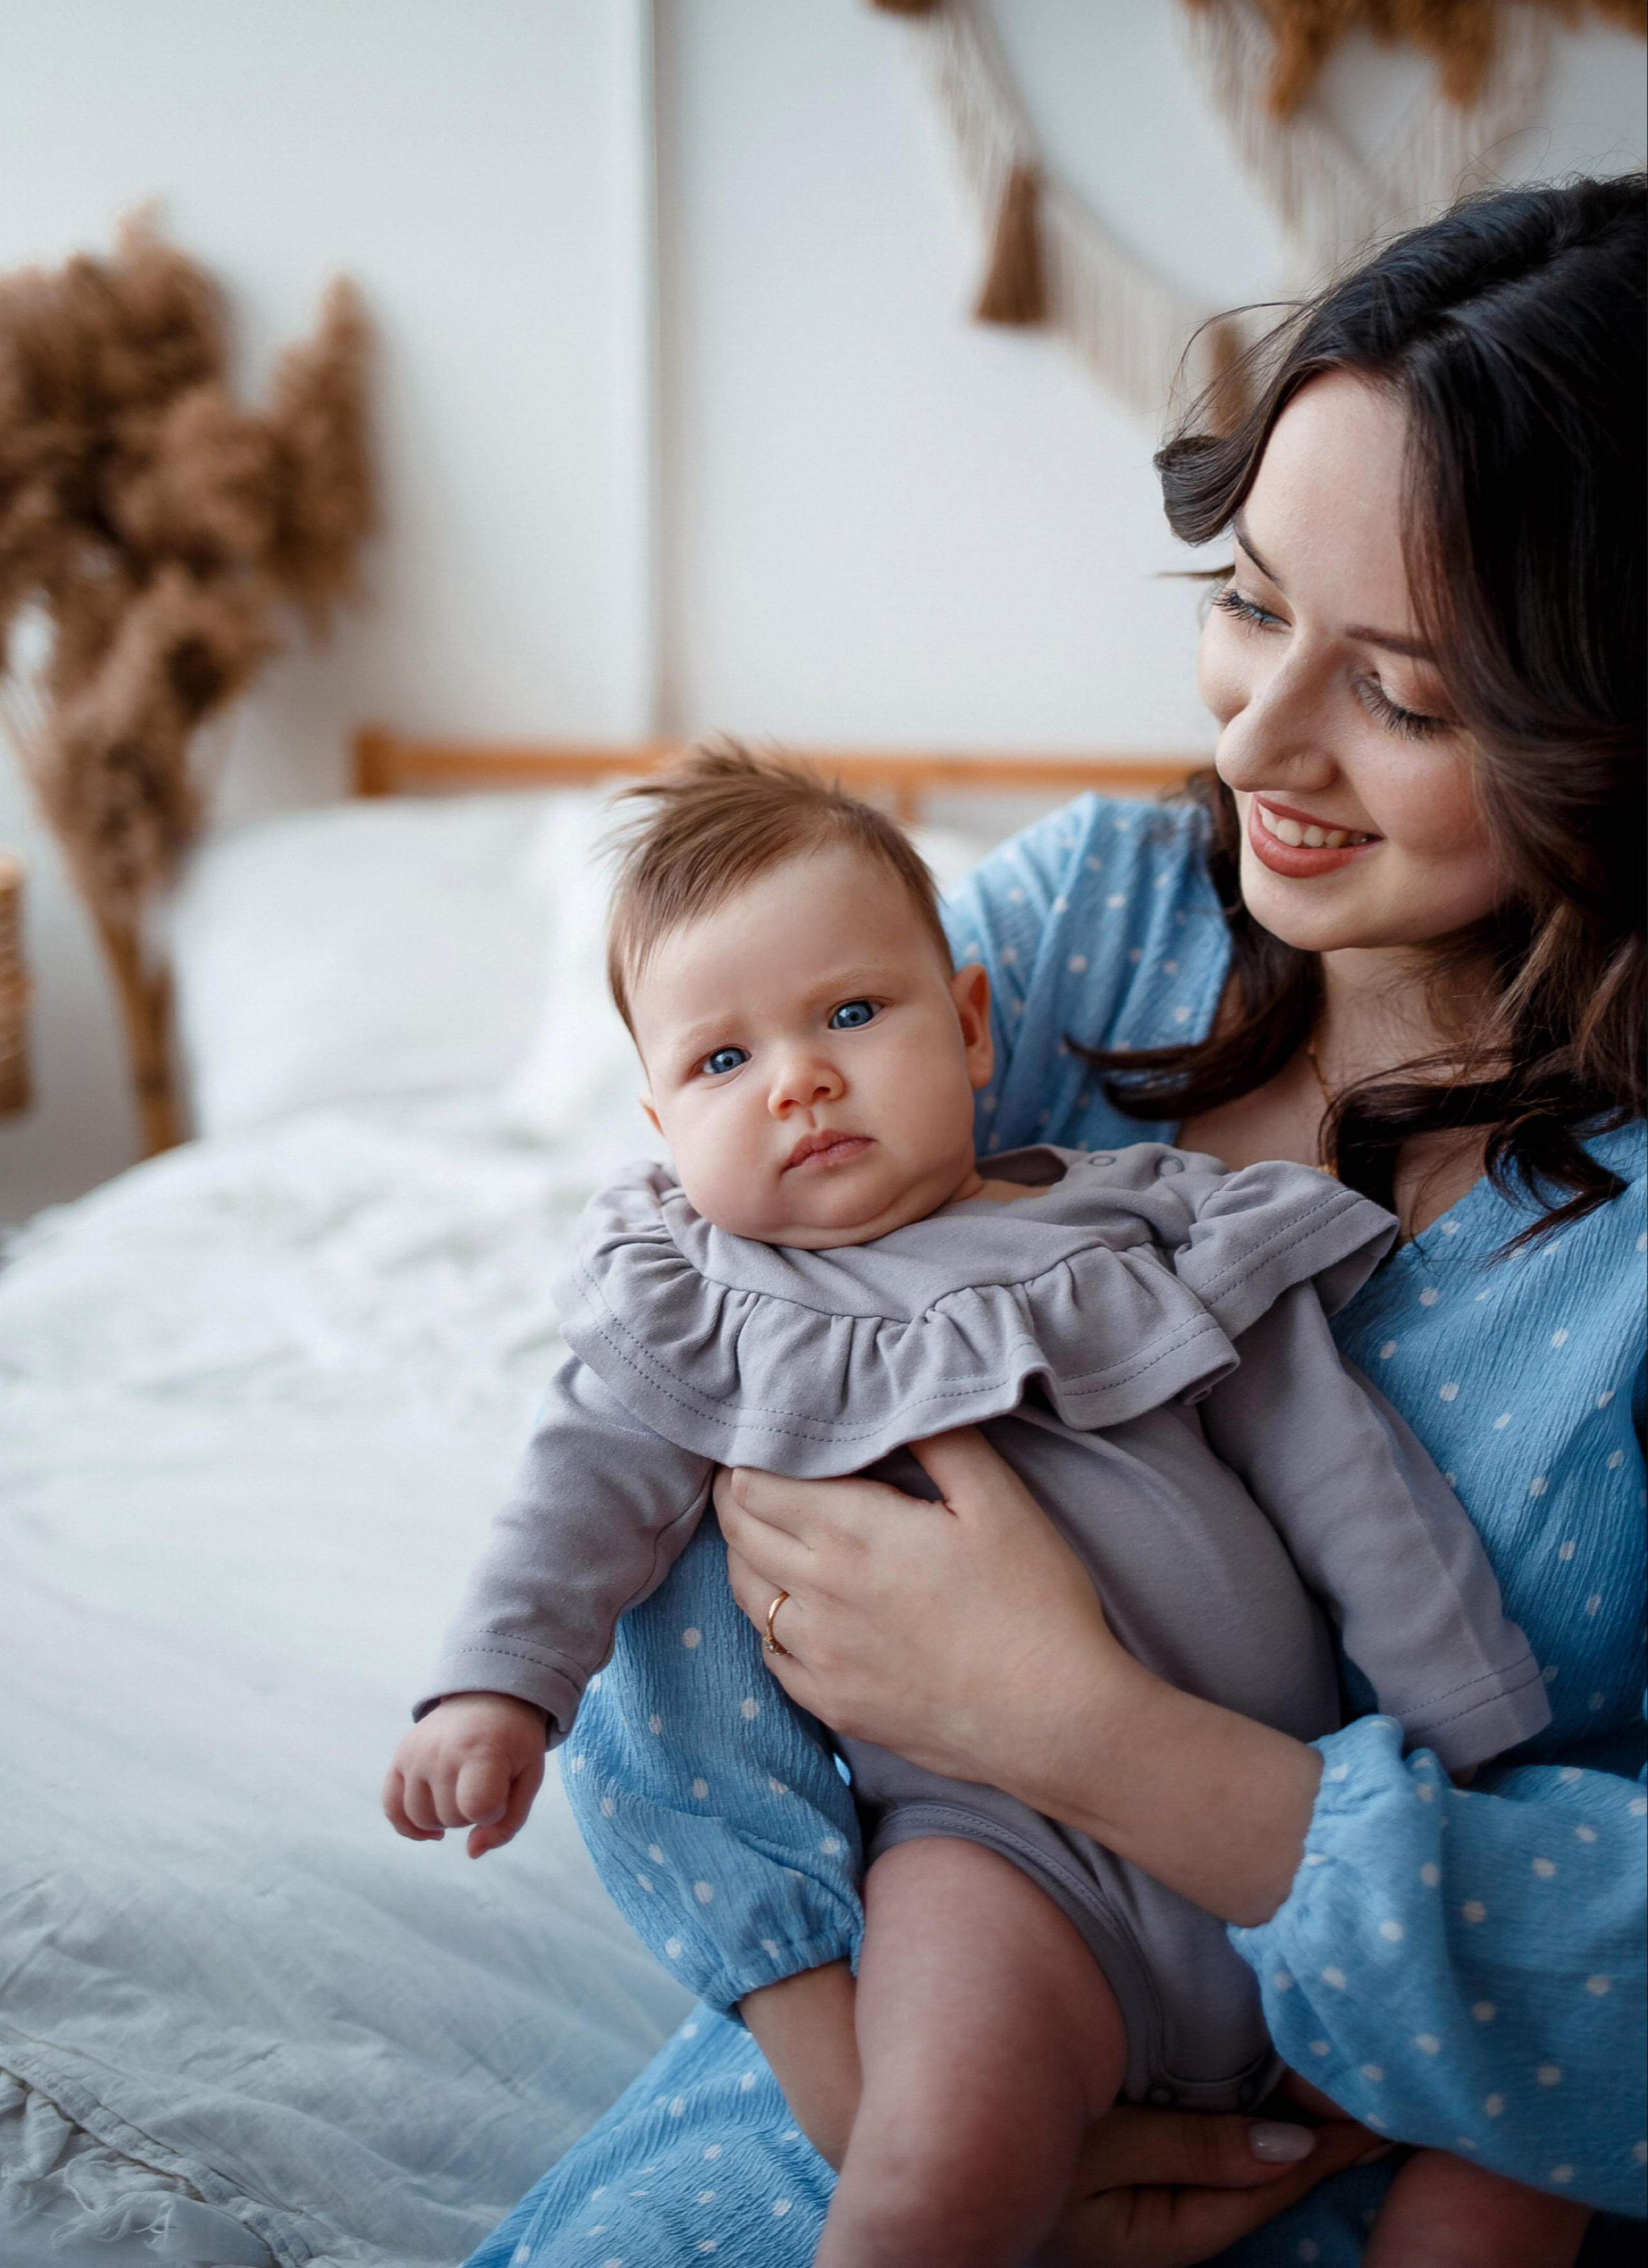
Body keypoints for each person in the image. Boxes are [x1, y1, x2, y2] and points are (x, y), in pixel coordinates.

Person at [462, 174, 1645, 2268]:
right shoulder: (1091, 927)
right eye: (1251, 600)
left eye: (1409, 693)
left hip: (1426, 2138)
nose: (1256, 742)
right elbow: (690, 1403)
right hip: (919, 2038)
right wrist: (857, 2091)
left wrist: (1092, 1730)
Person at [384, 741, 1558, 2268]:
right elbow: (574, 1504)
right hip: (994, 1867)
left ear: (970, 1022)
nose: (797, 1078)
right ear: (660, 1124)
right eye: (719, 1062)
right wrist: (494, 1690)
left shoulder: (1146, 1234)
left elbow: (1347, 1476)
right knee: (933, 2171)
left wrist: (1463, 1730)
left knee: (1523, 2146)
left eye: (851, 1014)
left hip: (1283, 1820)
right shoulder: (706, 1313)